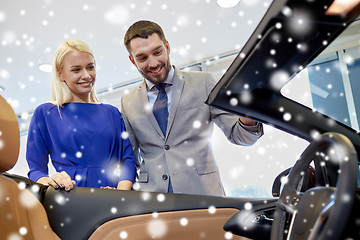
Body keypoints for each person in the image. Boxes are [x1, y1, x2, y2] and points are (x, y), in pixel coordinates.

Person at [120, 20, 264, 196]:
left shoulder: (204, 83)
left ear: (167, 47)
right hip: (154, 202)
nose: (153, 63)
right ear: (132, 60)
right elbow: (130, 159)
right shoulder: (127, 102)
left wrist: (250, 111)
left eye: (157, 52)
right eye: (142, 58)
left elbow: (240, 135)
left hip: (204, 194)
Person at [26, 40, 136, 191]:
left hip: (113, 196)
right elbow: (36, 169)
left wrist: (120, 194)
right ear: (60, 74)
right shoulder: (46, 113)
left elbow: (127, 159)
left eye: (90, 67)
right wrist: (51, 181)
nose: (86, 75)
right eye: (76, 70)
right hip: (69, 195)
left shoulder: (112, 113)